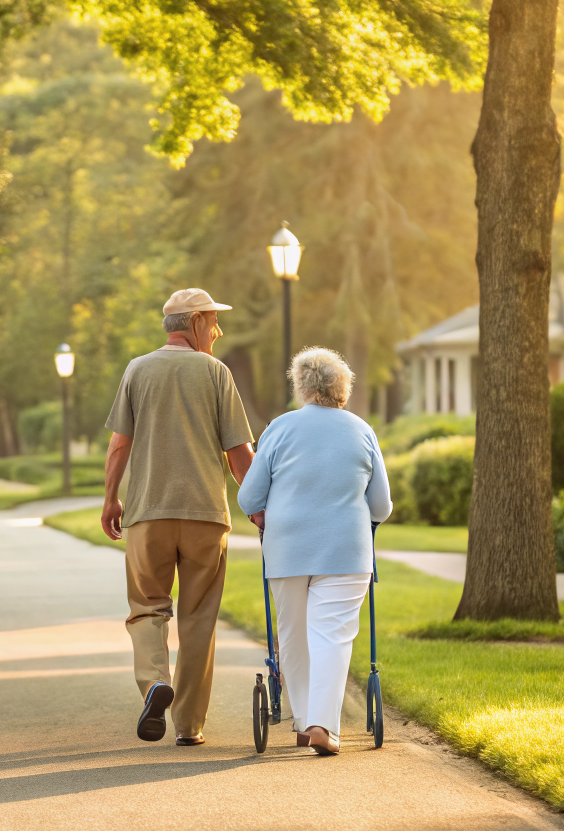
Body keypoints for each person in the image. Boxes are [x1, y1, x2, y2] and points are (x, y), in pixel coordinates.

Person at [102, 288, 256, 746]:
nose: (218, 330)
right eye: (212, 320)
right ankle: (189, 726)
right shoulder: (215, 373)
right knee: (198, 618)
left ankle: (154, 684)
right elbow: (239, 454)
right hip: (206, 515)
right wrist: (260, 508)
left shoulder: (137, 370)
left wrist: (111, 498)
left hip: (148, 513)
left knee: (147, 606)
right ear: (193, 324)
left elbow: (119, 445)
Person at [237, 347, 391, 755]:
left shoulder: (280, 428)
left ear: (301, 386)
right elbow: (382, 506)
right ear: (342, 387)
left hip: (287, 548)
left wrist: (270, 514)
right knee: (332, 635)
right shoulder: (362, 430)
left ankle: (305, 721)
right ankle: (325, 724)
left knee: (292, 635)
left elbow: (249, 495)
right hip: (346, 550)